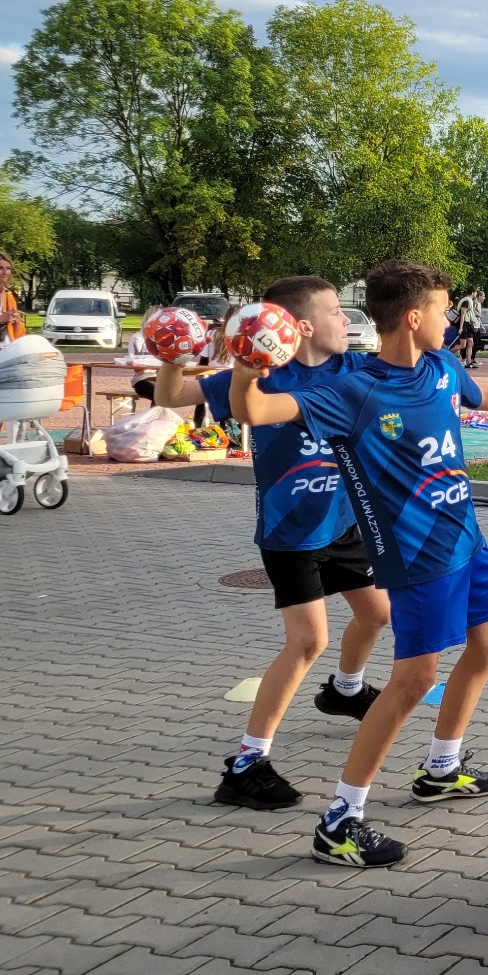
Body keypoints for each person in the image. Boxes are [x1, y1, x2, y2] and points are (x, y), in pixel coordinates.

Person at [232, 259, 488, 868]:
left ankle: (442, 767)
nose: (452, 320)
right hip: (416, 558)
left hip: (467, 541)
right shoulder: (351, 390)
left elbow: (484, 395)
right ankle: (341, 820)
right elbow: (255, 412)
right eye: (443, 311)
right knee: (413, 682)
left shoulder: (442, 365)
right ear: (414, 319)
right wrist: (247, 362)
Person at [150, 277, 391, 809]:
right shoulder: (260, 376)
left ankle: (345, 691)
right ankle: (245, 764)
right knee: (308, 641)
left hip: (344, 524)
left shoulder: (353, 370)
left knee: (376, 615)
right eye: (335, 312)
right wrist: (173, 354)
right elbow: (171, 396)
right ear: (301, 327)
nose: (347, 321)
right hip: (291, 533)